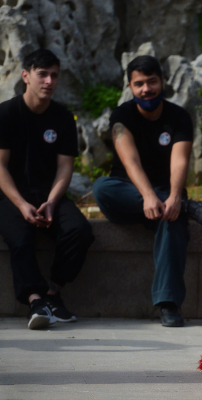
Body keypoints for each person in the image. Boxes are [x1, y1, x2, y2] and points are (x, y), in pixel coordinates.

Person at [93, 55, 202, 327]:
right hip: (128, 195)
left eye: (152, 82)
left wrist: (175, 197)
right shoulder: (121, 116)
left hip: (166, 194)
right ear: (130, 87)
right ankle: (188, 207)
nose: (146, 89)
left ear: (163, 81)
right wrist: (147, 196)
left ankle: (168, 304)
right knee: (101, 187)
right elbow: (130, 161)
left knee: (172, 219)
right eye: (139, 84)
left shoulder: (178, 116)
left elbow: (180, 160)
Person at [0, 49, 95, 330]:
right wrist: (21, 204)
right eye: (42, 74)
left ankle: (53, 294)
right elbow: (0, 166)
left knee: (80, 231)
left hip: (48, 194)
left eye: (54, 75)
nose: (49, 81)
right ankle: (35, 301)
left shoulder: (63, 118)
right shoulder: (6, 113)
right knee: (20, 238)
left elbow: (65, 168)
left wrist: (52, 202)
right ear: (25, 76)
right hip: (10, 194)